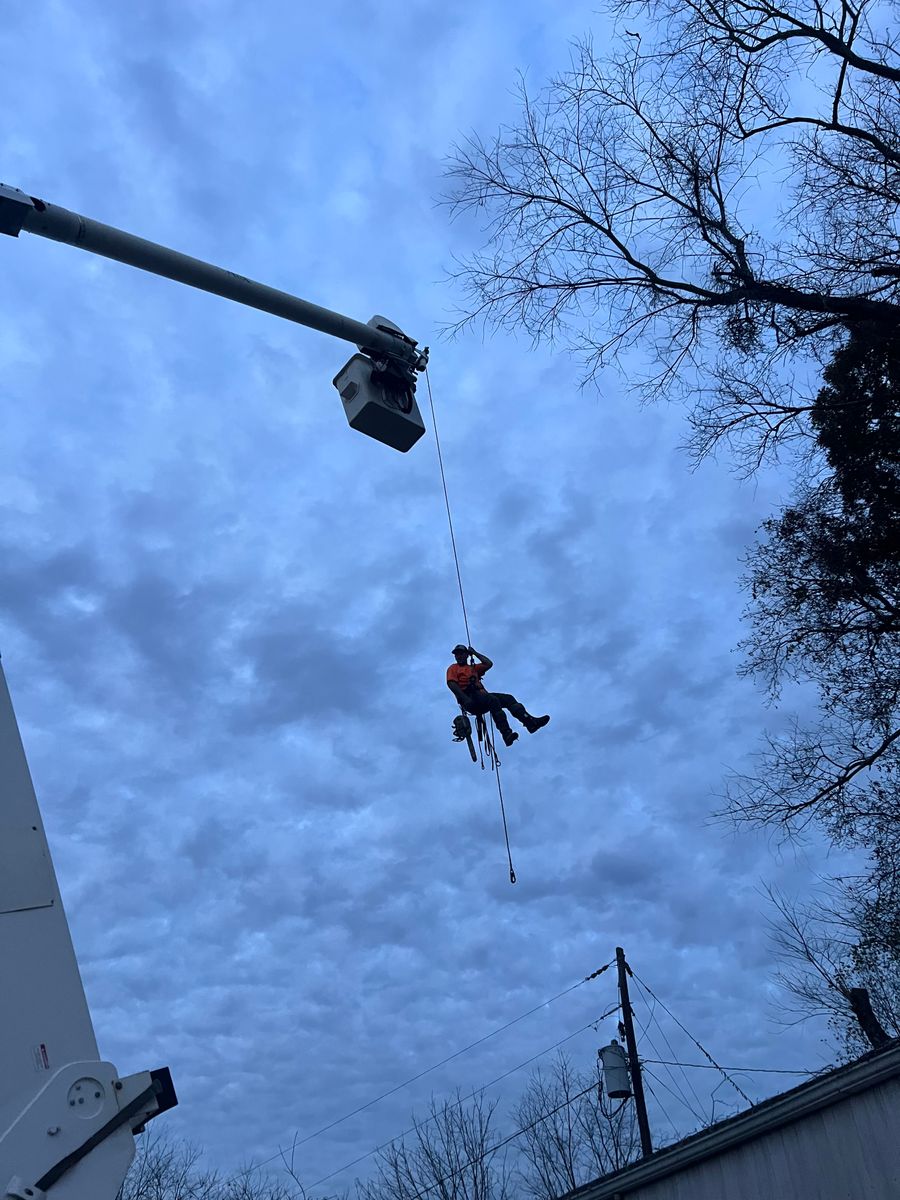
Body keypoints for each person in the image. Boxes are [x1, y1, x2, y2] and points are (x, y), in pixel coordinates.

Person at [446, 644, 549, 747]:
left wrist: (475, 653)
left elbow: (488, 663)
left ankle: (530, 723)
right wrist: (465, 699)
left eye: (461, 654)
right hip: (470, 698)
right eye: (457, 654)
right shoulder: (453, 668)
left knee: (508, 698)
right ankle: (506, 734)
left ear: (466, 655)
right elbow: (452, 684)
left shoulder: (473, 668)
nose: (458, 656)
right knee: (493, 700)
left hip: (482, 697)